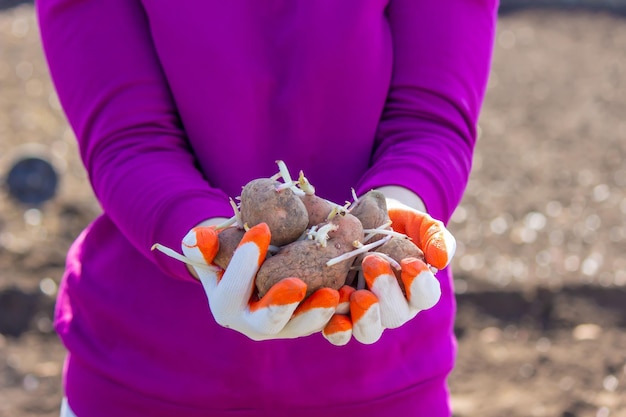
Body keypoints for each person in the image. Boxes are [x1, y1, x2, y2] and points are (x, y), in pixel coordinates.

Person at [37, 1, 498, 416]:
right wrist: (210, 241)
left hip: (383, 375)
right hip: (142, 376)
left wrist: (397, 208)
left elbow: (429, 119)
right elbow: (129, 140)